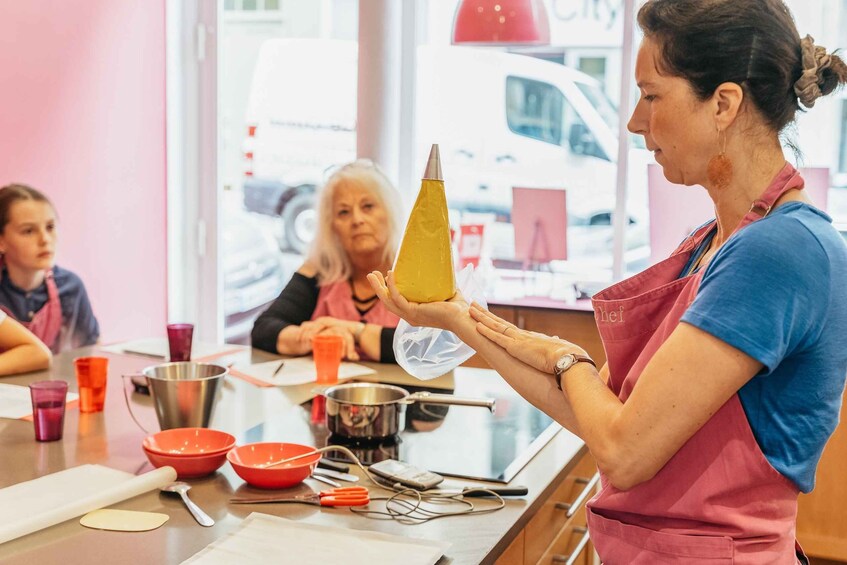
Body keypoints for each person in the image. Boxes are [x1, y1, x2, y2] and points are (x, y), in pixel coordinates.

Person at [368, 1, 847, 562]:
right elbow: (599, 413)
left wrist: (567, 360)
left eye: (650, 96)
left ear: (723, 104)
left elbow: (623, 450)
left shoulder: (777, 253)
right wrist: (460, 318)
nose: (635, 122)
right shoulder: (714, 243)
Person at [252, 160, 403, 362]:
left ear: (390, 212)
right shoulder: (318, 270)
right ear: (332, 226)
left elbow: (431, 348)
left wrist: (354, 331)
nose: (357, 220)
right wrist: (313, 337)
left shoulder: (416, 274)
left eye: (368, 206)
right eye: (343, 212)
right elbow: (264, 329)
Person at [0, 184, 100, 353]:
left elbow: (91, 349)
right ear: (1, 241)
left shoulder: (71, 287)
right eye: (28, 231)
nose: (45, 239)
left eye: (50, 227)